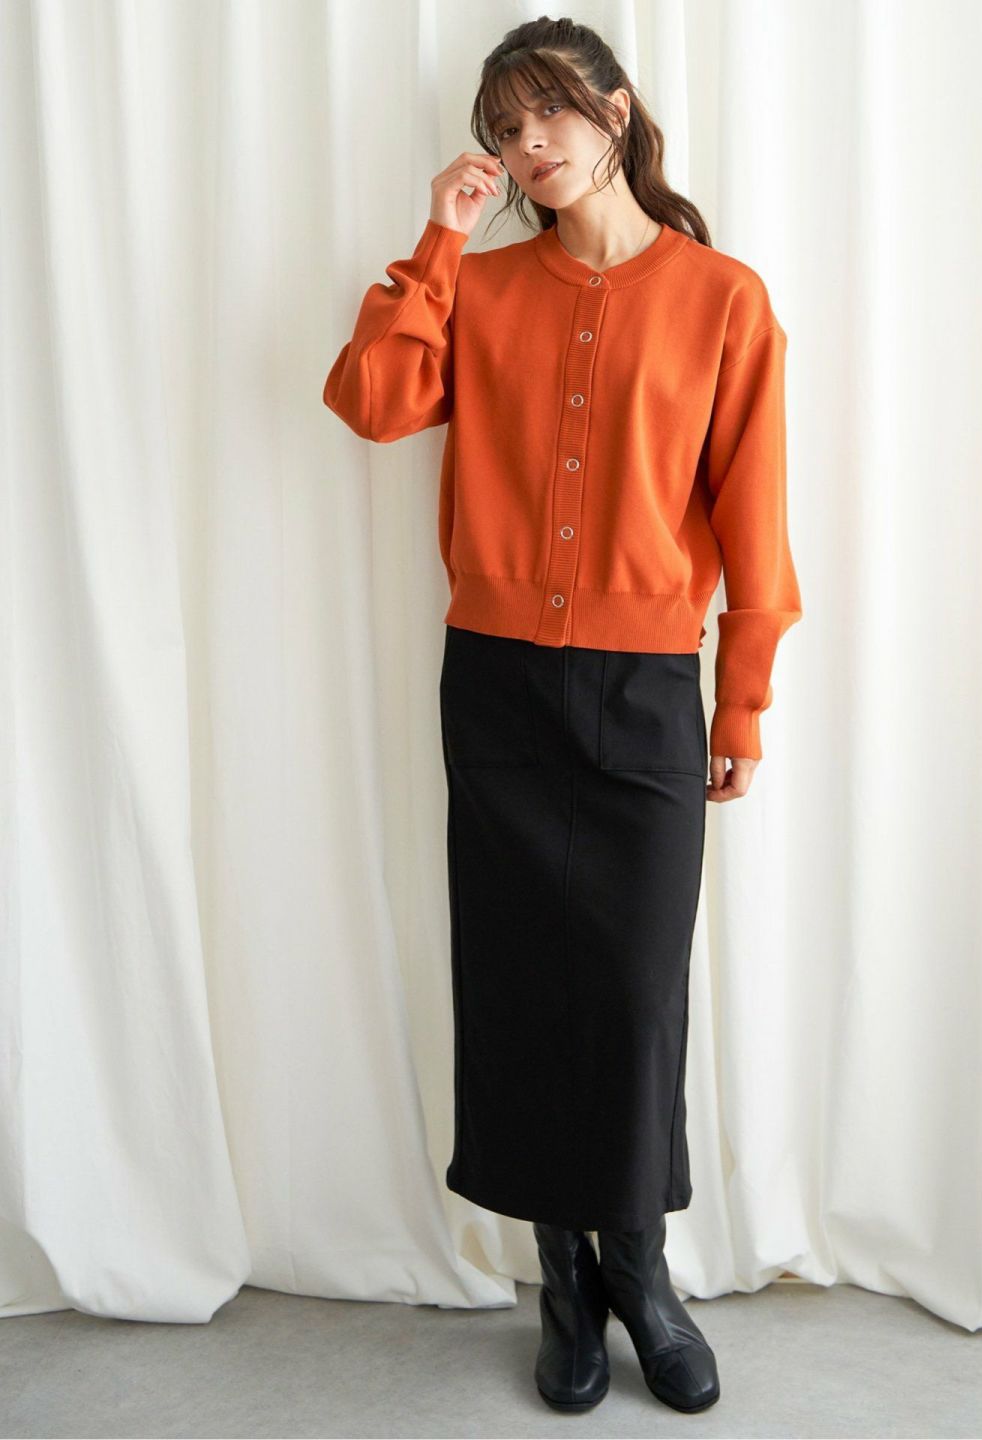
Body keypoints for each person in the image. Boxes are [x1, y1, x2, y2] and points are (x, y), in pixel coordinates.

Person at [323, 15, 802, 1418]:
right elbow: (371, 402)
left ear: (616, 111)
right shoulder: (477, 287)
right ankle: (564, 1281)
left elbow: (755, 519)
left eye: (550, 116)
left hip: (649, 688)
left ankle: (641, 1272)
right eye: (505, 127)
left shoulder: (722, 298)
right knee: (523, 986)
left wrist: (743, 698)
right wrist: (438, 241)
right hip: (498, 681)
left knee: (637, 995)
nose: (529, 147)